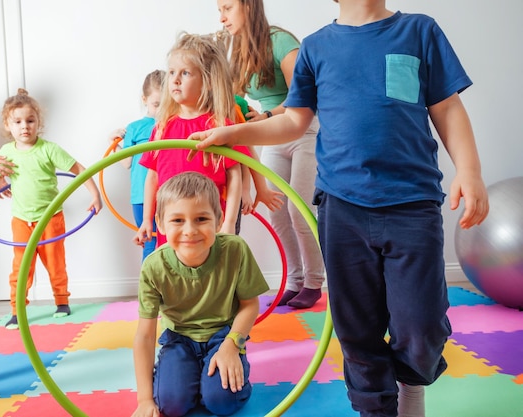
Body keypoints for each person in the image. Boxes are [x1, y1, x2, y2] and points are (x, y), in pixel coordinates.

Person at [191, 1, 490, 416]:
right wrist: (236, 131)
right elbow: (294, 120)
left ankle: (411, 384)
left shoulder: (420, 31)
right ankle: (375, 408)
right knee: (356, 327)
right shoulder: (316, 47)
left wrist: (469, 171)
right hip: (342, 208)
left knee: (421, 326)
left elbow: (447, 106)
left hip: (413, 203)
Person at [132, 171, 269, 417]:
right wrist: (144, 399)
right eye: (177, 220)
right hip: (179, 339)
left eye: (201, 218)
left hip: (223, 336)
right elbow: (144, 335)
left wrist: (232, 345)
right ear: (160, 224)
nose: (190, 230)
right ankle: (177, 374)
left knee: (222, 403)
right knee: (171, 406)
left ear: (218, 221)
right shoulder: (154, 267)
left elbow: (249, 305)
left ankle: (221, 377)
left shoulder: (234, 250)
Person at [216, 0, 326, 309]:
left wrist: (267, 115)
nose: (222, 17)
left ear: (247, 6)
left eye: (226, 8)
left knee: (299, 209)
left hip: (304, 129)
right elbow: (235, 96)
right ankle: (295, 280)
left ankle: (315, 282)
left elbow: (304, 94)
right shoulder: (237, 50)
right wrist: (251, 114)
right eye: (219, 10)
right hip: (274, 133)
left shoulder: (281, 41)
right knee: (276, 208)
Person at [0, 89, 102, 330]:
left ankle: (61, 301)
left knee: (55, 263)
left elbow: (79, 169)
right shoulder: (5, 153)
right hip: (21, 220)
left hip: (51, 218)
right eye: (17, 122)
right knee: (21, 267)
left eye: (30, 120)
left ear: (38, 123)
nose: (24, 126)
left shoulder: (49, 149)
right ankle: (17, 311)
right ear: (7, 125)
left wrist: (95, 194)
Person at [133, 33, 251, 250]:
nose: (175, 79)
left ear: (207, 82)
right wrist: (147, 220)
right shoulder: (161, 128)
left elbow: (235, 174)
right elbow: (152, 177)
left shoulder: (220, 127)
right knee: (175, 276)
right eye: (171, 73)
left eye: (185, 73)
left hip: (209, 223)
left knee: (213, 275)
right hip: (172, 223)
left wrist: (229, 223)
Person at [107, 70, 165, 261]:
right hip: (141, 194)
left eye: (165, 104)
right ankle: (149, 290)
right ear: (145, 99)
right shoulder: (135, 128)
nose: (161, 109)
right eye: (156, 104)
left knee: (168, 243)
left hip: (168, 193)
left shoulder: (172, 124)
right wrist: (113, 143)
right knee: (149, 242)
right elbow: (126, 163)